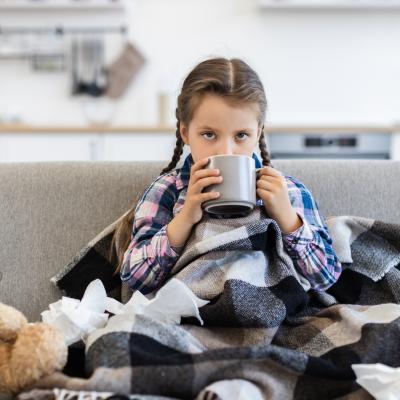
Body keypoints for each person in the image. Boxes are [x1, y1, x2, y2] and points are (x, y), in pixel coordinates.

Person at [112, 57, 342, 295]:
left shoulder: (288, 192)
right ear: (185, 133)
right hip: (193, 312)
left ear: (258, 133)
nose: (226, 151)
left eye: (241, 135)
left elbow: (326, 278)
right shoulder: (166, 190)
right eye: (209, 135)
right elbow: (135, 279)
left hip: (270, 307)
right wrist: (184, 219)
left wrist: (287, 218)